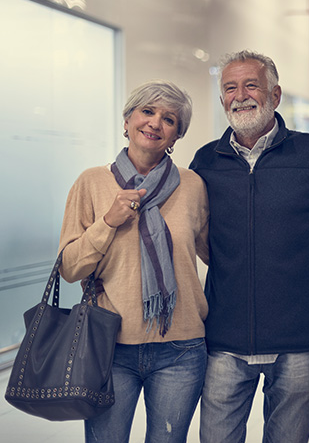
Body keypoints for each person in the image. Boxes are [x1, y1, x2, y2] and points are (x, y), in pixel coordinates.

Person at [190, 50, 309, 443]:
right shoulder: (206, 161)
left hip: (297, 338)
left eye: (251, 85)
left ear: (275, 95)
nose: (240, 95)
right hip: (224, 338)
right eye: (230, 88)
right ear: (222, 99)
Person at [58, 80, 209, 443]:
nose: (155, 123)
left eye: (169, 119)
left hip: (182, 347)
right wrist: (107, 222)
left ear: (176, 136)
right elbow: (69, 268)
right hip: (109, 345)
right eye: (147, 112)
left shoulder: (193, 186)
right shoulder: (91, 183)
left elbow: (216, 254)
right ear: (127, 121)